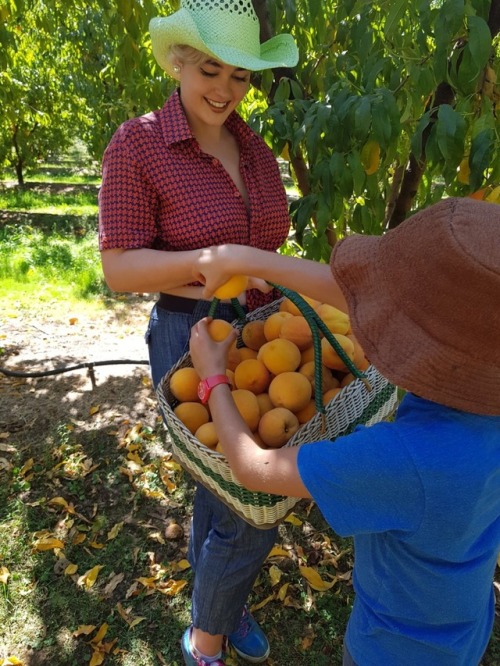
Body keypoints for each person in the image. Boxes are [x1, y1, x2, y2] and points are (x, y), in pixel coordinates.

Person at [189, 197, 500, 666]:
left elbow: (254, 468)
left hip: (391, 649)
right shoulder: (482, 400)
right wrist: (245, 259)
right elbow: (364, 299)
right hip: (465, 628)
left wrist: (214, 381)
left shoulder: (400, 459)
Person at [98, 1, 298, 664]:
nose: (225, 88)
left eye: (241, 76)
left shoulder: (256, 149)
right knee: (245, 491)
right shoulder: (140, 142)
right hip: (189, 333)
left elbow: (269, 246)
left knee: (225, 489)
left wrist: (255, 278)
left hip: (262, 327)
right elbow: (118, 266)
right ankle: (206, 639)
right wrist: (210, 267)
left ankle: (220, 602)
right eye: (211, 69)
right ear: (179, 61)